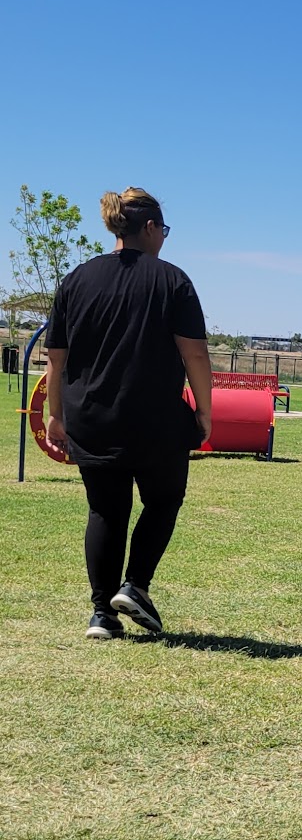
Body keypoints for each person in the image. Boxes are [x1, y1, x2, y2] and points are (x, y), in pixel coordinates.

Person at [45, 186, 212, 639]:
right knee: (163, 501)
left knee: (105, 511)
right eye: (165, 231)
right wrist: (205, 412)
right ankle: (135, 585)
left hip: (90, 417)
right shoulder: (172, 280)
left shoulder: (76, 280)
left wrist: (53, 414)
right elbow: (195, 354)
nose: (165, 240)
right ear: (151, 227)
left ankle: (101, 613)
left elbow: (56, 359)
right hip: (155, 420)